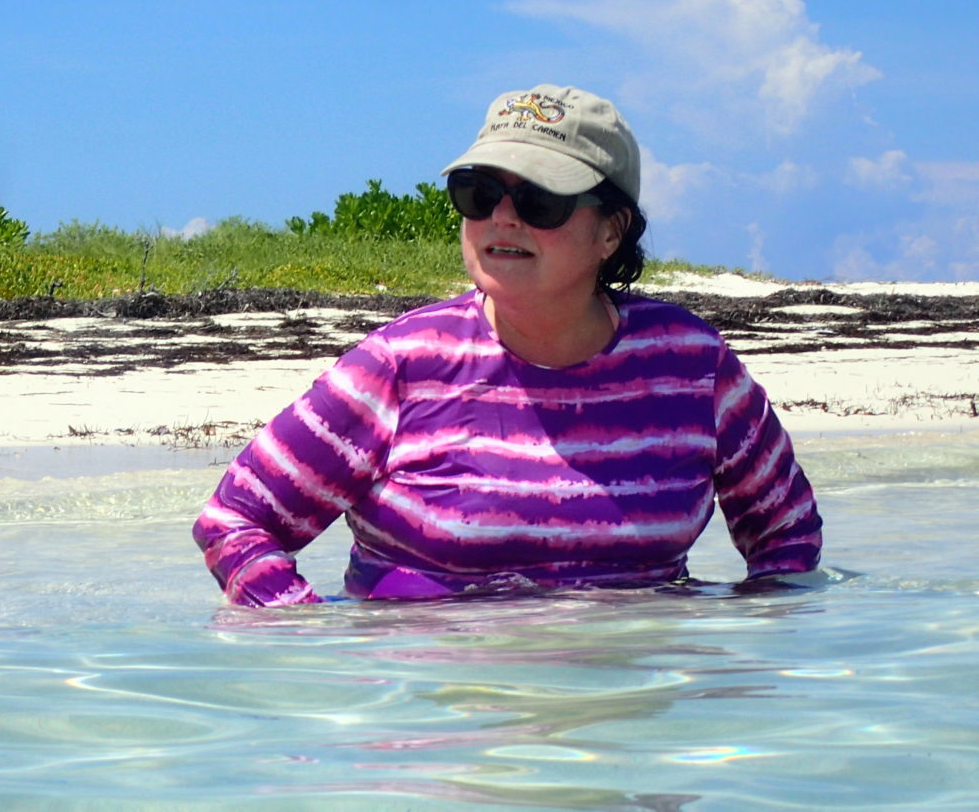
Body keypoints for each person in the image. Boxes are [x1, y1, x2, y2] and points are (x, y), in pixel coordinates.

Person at [193, 84, 822, 606]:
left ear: (611, 230)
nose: (503, 216)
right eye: (480, 193)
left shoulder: (691, 367)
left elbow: (786, 536)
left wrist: (743, 664)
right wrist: (312, 640)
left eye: (538, 199)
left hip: (632, 724)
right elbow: (235, 523)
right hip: (441, 729)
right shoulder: (401, 367)